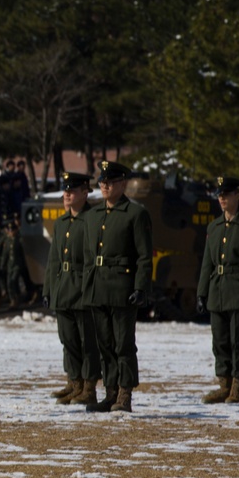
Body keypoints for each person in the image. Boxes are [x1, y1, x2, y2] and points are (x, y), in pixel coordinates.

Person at [83, 160, 152, 413]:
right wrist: (86, 287)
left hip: (123, 287)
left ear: (123, 183)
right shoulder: (93, 215)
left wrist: (141, 287)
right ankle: (110, 392)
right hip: (98, 287)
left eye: (110, 182)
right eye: (102, 182)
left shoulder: (135, 214)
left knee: (123, 343)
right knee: (105, 344)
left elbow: (144, 255)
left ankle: (125, 393)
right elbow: (87, 256)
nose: (105, 186)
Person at [197, 177, 239, 404]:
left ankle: (238, 385)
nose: (222, 198)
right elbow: (207, 262)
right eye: (219, 195)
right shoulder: (214, 227)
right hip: (218, 291)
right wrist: (202, 292)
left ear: (238, 196)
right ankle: (224, 385)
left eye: (226, 194)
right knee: (220, 341)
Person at [42, 172, 101, 405]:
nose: (66, 194)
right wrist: (49, 290)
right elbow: (53, 260)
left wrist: (90, 289)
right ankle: (74, 382)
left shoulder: (92, 219)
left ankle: (88, 387)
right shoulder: (61, 222)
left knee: (87, 341)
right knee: (68, 339)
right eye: (65, 190)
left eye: (72, 190)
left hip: (82, 287)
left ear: (85, 193)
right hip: (63, 287)